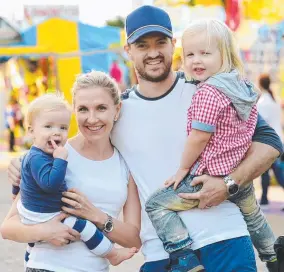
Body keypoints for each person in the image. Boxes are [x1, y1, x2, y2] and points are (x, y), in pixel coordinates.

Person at [4, 5, 283, 272]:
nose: (152, 53)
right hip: (163, 253)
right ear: (127, 50)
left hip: (224, 238)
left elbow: (270, 143)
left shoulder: (208, 91)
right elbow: (73, 145)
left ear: (173, 44)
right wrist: (24, 162)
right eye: (142, 45)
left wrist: (228, 184)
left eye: (160, 42)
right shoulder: (117, 113)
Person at [145, 19, 264, 272]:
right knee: (254, 215)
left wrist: (183, 169)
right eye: (190, 54)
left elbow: (200, 137)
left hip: (218, 207)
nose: (196, 60)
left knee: (155, 204)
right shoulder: (240, 88)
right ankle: (272, 254)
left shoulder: (207, 91)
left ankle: (184, 258)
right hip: (234, 175)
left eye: (205, 53)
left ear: (225, 55)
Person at [1, 71, 141, 272]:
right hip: (46, 267)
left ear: (116, 110)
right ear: (74, 111)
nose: (92, 119)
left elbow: (133, 239)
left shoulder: (125, 164)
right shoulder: (54, 156)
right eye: (83, 109)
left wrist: (95, 215)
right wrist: (46, 231)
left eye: (101, 108)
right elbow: (8, 228)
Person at [257, 74, 284, 208]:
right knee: (277, 172)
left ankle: (264, 199)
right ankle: (263, 199)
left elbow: (262, 124)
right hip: (279, 139)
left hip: (268, 141)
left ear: (260, 84)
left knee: (267, 171)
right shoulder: (275, 101)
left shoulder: (262, 103)